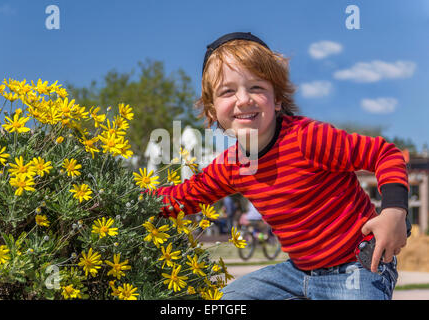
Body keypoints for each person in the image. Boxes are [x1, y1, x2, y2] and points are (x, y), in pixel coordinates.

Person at [150, 32, 409, 300]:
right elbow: (183, 197)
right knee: (221, 300)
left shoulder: (307, 138)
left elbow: (384, 153)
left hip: (359, 265)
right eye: (228, 91)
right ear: (212, 111)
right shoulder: (230, 165)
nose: (243, 99)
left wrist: (394, 211)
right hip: (297, 273)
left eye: (256, 88)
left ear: (277, 100)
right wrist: (126, 202)